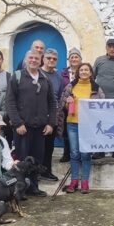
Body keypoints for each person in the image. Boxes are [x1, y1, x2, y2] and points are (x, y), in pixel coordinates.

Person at [6, 49, 56, 197]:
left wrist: (51, 123)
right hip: (22, 128)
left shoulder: (45, 79)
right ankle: (19, 190)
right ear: (26, 59)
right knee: (21, 161)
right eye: (31, 58)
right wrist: (17, 123)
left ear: (41, 60)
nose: (33, 60)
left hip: (40, 128)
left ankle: (33, 187)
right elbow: (10, 101)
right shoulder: (17, 76)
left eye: (36, 58)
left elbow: (52, 102)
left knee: (36, 161)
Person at [57, 63, 105, 194]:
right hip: (72, 123)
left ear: (90, 73)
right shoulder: (71, 86)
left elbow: (103, 105)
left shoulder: (96, 87)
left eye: (86, 70)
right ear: (78, 72)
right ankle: (73, 181)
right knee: (74, 153)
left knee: (85, 153)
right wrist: (68, 102)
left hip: (88, 126)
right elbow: (62, 105)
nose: (84, 72)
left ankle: (84, 182)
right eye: (82, 70)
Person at [93, 38, 114, 162]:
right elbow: (93, 77)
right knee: (101, 125)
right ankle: (100, 151)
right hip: (101, 101)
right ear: (106, 48)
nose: (112, 49)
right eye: (110, 46)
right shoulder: (99, 60)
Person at [40, 48, 63, 181]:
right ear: (43, 59)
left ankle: (46, 170)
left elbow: (59, 97)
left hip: (52, 115)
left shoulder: (58, 77)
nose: (51, 61)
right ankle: (35, 172)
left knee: (49, 146)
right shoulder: (37, 73)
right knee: (37, 146)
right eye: (49, 58)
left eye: (54, 59)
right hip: (38, 114)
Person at [59, 47, 83, 162]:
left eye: (76, 57)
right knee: (66, 129)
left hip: (81, 106)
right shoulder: (63, 73)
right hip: (67, 105)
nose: (74, 59)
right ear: (69, 59)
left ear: (80, 59)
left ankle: (80, 153)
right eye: (72, 57)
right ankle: (66, 152)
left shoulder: (84, 70)